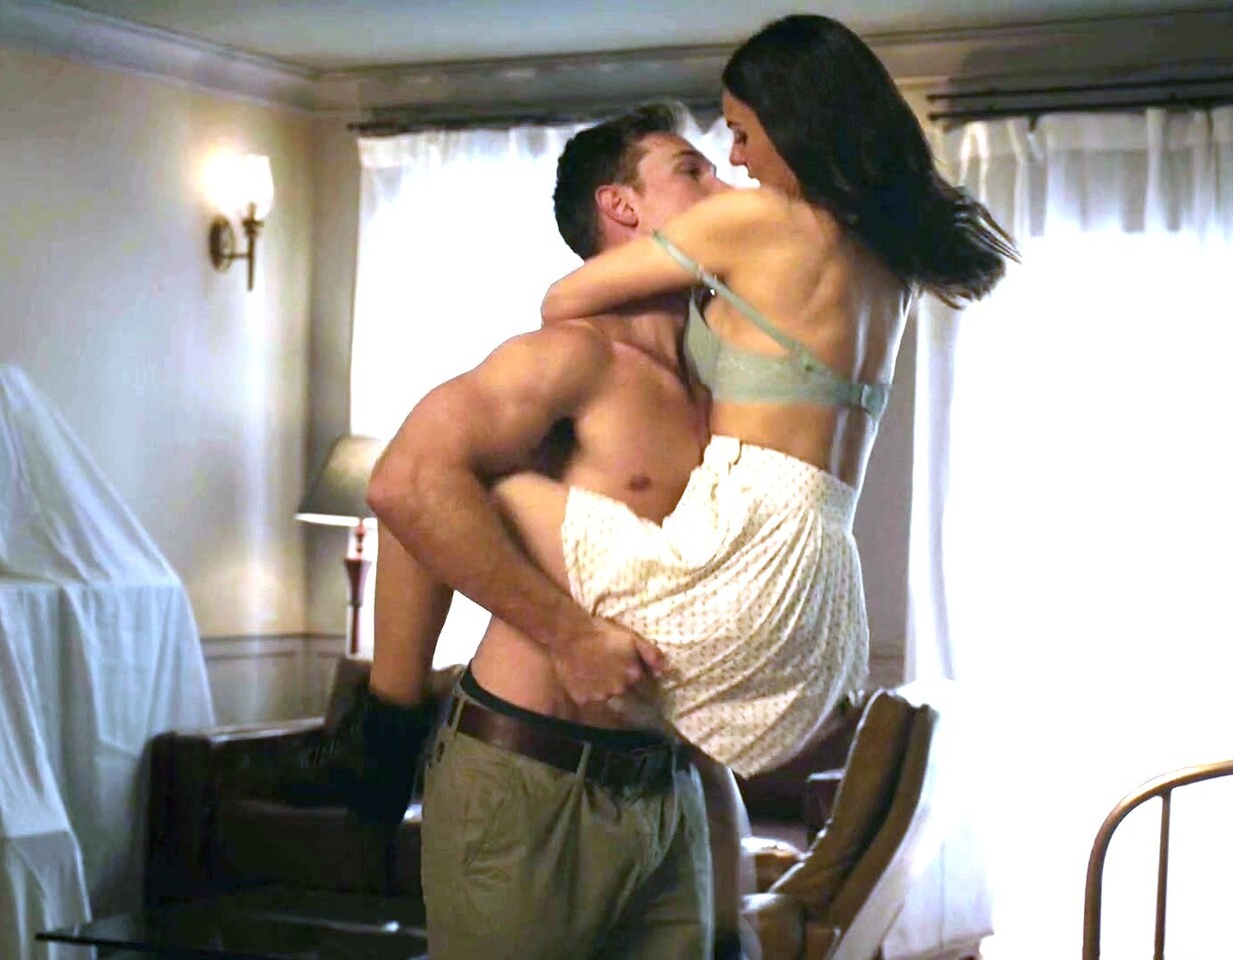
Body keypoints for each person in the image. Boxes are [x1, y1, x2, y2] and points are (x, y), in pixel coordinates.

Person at [370, 13, 1015, 780]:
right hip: (822, 604)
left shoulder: (755, 222)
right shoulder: (890, 263)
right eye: (705, 160)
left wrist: (693, 267)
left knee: (437, 480)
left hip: (740, 567)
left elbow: (561, 297)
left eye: (740, 134)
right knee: (433, 480)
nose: (734, 164)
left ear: (792, 119)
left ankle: (378, 737)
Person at [344, 103, 752, 959]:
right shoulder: (572, 355)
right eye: (692, 170)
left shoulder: (721, 381)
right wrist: (568, 636)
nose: (723, 186)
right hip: (532, 776)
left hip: (666, 785)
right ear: (621, 206)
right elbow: (406, 482)